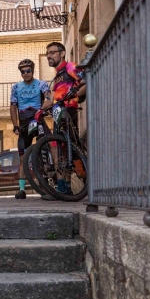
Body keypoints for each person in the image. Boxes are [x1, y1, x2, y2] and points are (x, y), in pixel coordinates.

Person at [37, 42, 87, 197]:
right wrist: (40, 110)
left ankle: (86, 180)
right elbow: (50, 99)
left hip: (68, 110)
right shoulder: (56, 78)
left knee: (72, 147)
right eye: (47, 54)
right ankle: (63, 188)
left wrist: (75, 94)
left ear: (62, 53)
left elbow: (85, 82)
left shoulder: (70, 66)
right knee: (61, 151)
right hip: (58, 112)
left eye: (52, 52)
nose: (49, 56)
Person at [10, 59, 50, 199]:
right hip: (24, 122)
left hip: (38, 118)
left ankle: (51, 178)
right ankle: (21, 190)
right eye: (23, 72)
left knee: (50, 144)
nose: (26, 74)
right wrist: (15, 125)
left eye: (28, 71)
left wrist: (45, 106)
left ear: (33, 71)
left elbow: (48, 97)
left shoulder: (41, 84)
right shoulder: (16, 87)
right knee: (22, 158)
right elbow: (13, 107)